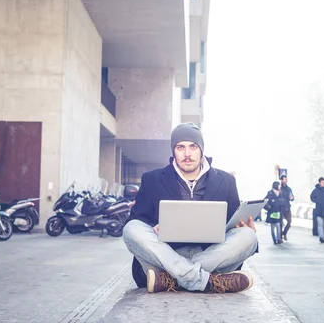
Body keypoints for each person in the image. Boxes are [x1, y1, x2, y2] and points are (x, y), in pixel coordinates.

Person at [123, 123, 258, 294]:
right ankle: (208, 281)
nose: (187, 154)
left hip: (210, 254)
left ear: (201, 149)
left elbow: (230, 225)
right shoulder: (152, 179)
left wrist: (242, 228)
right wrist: (152, 227)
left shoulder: (226, 181)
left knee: (249, 236)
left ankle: (171, 279)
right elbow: (136, 221)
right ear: (173, 151)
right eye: (180, 147)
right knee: (131, 229)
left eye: (193, 147)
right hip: (166, 252)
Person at [279, 175, 294, 241]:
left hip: (287, 207)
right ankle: (279, 237)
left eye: (286, 179)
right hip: (280, 208)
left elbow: (292, 196)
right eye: (284, 179)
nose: (286, 181)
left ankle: (284, 233)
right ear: (281, 180)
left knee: (289, 222)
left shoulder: (289, 189)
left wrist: (292, 198)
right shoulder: (279, 188)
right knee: (280, 223)